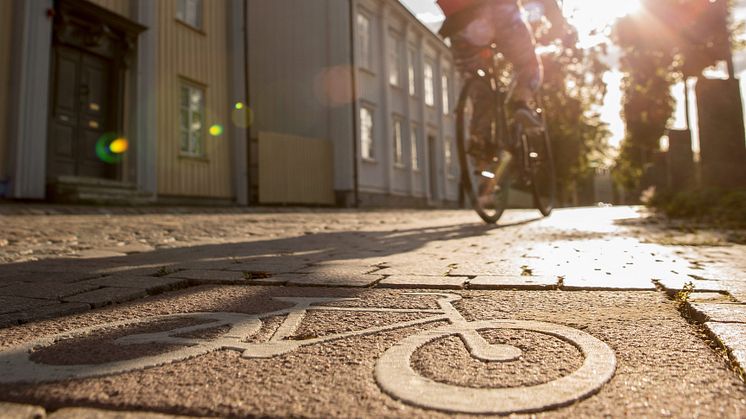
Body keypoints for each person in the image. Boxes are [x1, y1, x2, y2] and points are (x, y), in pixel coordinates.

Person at [437, 0, 575, 128]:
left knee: (477, 85)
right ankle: (522, 103)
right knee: (528, 64)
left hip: (459, 27)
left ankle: (480, 138)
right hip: (500, 14)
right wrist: (558, 26)